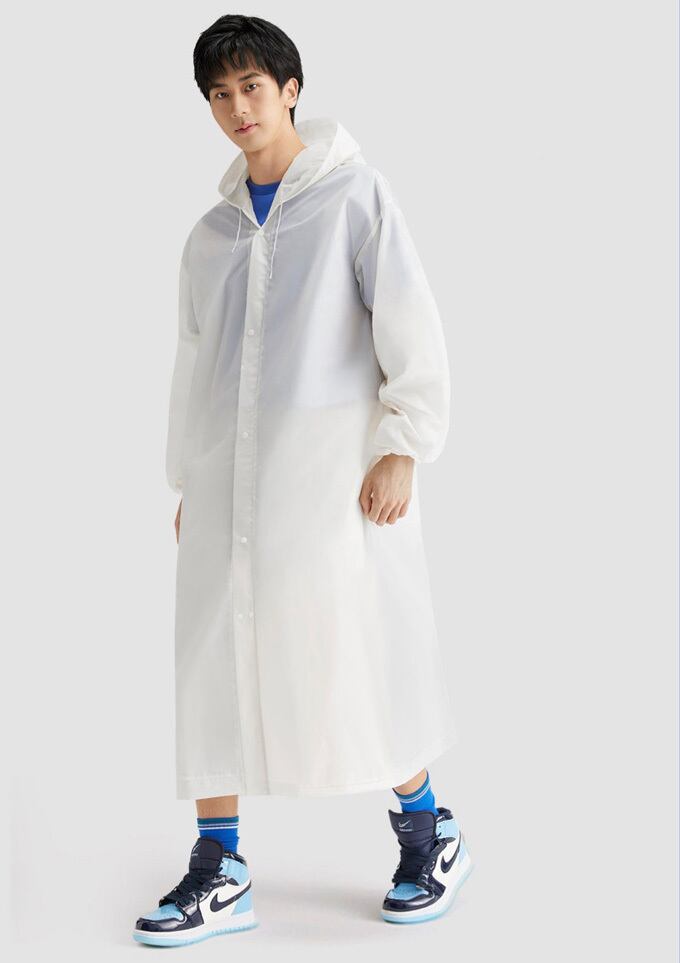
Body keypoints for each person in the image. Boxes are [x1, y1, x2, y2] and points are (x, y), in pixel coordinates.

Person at [133, 13, 473, 947]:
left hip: (330, 477)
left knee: (348, 650)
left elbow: (409, 322)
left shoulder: (354, 197)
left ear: (290, 89)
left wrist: (403, 441)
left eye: (252, 86)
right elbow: (194, 364)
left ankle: (429, 833)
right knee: (211, 660)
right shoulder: (210, 235)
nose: (237, 107)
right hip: (225, 481)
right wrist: (191, 478)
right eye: (219, 94)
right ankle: (221, 864)